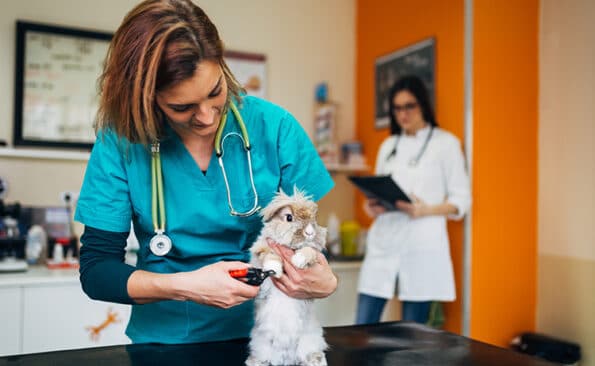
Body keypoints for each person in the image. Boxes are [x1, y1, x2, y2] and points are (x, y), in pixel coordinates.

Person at [75, 0, 337, 345]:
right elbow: (97, 272)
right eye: (181, 107)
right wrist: (185, 286)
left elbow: (308, 242)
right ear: (144, 98)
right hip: (165, 345)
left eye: (215, 92)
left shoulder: (274, 128)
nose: (207, 118)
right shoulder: (121, 141)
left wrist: (325, 279)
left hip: (272, 338)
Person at [355, 75, 470, 325]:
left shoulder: (446, 144)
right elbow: (378, 190)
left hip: (422, 244)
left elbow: (461, 200)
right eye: (397, 108)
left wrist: (425, 210)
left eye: (409, 106)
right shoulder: (389, 145)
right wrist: (372, 205)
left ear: (423, 105)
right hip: (385, 241)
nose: (403, 114)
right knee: (361, 327)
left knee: (413, 334)